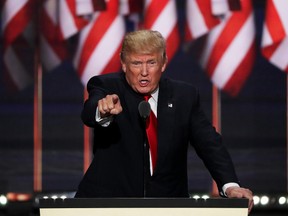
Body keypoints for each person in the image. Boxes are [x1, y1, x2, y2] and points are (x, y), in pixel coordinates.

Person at [75, 29, 254, 213]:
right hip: (108, 206)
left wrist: (230, 186)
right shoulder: (107, 86)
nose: (144, 72)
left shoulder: (184, 96)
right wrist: (102, 110)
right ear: (124, 64)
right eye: (136, 63)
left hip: (168, 206)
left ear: (163, 63)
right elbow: (89, 112)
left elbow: (209, 143)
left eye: (151, 62)